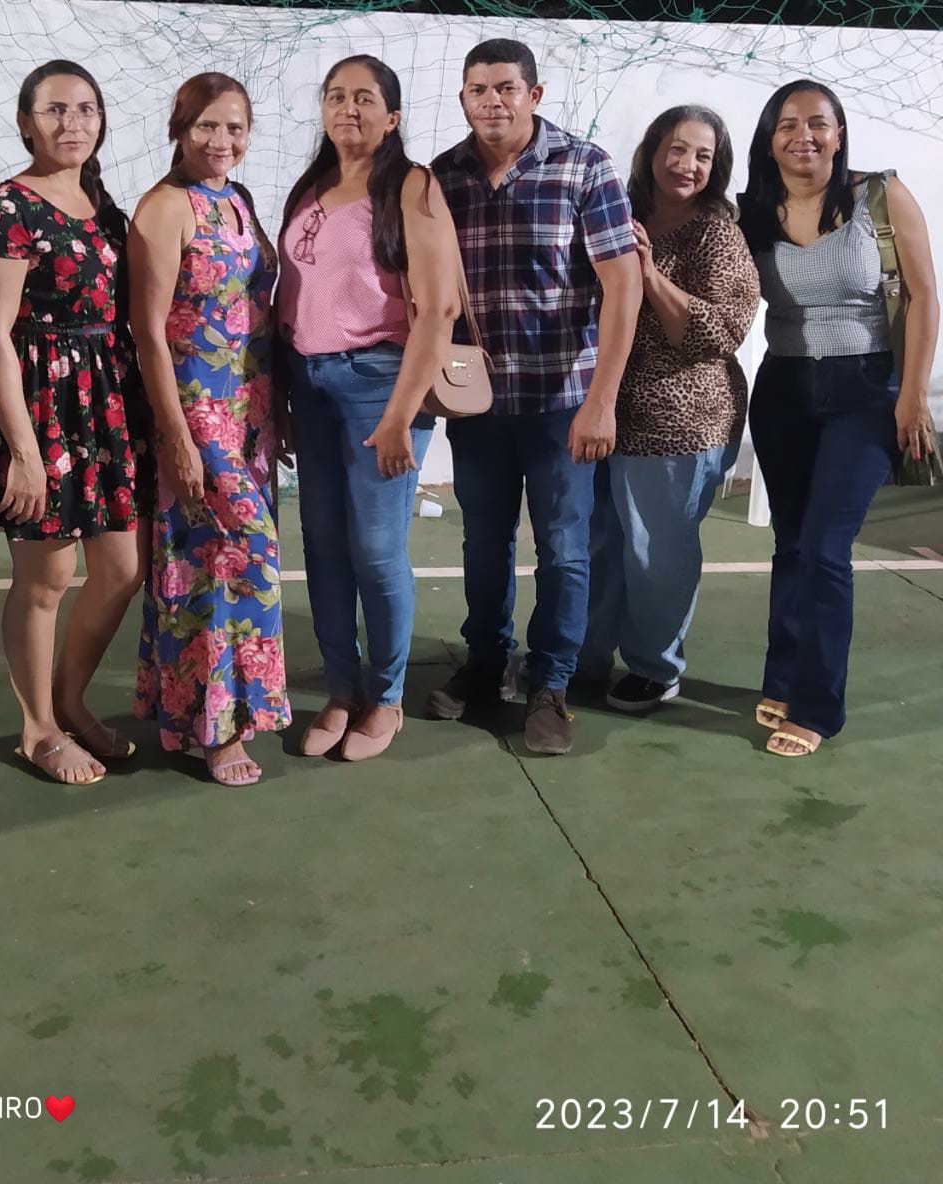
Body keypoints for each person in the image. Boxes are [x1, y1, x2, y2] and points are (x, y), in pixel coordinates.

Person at [427, 38, 642, 755]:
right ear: (463, 98)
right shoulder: (442, 178)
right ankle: (486, 665)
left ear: (535, 95)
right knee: (483, 542)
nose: (492, 100)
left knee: (563, 548)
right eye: (478, 89)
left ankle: (550, 685)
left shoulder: (584, 167)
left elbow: (623, 286)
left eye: (506, 88)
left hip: (563, 402)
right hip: (478, 405)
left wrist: (602, 400)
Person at [0, 61, 152, 785]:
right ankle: (37, 728)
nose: (72, 123)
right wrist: (24, 451)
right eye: (55, 110)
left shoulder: (104, 208)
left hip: (108, 404)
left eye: (85, 109)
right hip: (43, 407)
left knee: (123, 570)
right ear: (25, 121)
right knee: (48, 577)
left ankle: (69, 702)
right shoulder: (5, 210)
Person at [738, 80, 939, 757]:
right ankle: (784, 678)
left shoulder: (880, 195)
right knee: (793, 541)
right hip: (784, 388)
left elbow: (923, 296)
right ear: (771, 140)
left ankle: (817, 708)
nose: (805, 136)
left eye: (818, 123)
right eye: (788, 125)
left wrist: (912, 395)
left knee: (826, 546)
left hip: (867, 389)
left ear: (839, 133)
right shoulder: (751, 211)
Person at [276, 55, 460, 762]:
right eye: (335, 97)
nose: (347, 109)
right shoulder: (312, 186)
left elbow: (438, 309)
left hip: (379, 385)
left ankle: (386, 698)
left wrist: (399, 416)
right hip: (310, 383)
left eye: (363, 98)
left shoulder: (412, 186)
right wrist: (284, 397)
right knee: (322, 545)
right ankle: (342, 689)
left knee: (377, 553)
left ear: (393, 116)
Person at [130, 73, 290, 785]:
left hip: (250, 410)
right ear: (180, 129)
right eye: (206, 126)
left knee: (219, 562)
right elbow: (147, 332)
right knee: (233, 558)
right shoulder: (166, 206)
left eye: (234, 127)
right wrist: (176, 435)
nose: (221, 141)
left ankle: (193, 715)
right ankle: (218, 730)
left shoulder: (238, 200)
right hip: (196, 410)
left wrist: (277, 412)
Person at [580, 106, 759, 713]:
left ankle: (656, 667)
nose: (687, 165)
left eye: (703, 156)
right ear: (652, 151)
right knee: (598, 544)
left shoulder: (717, 234)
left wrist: (650, 275)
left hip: (680, 421)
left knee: (656, 553)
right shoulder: (618, 212)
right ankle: (585, 654)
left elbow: (720, 333)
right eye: (677, 149)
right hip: (601, 407)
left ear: (717, 167)